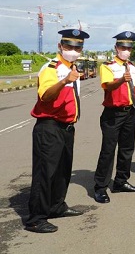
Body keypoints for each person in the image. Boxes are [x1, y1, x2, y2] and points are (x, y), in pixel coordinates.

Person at [24, 29, 89, 233]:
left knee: (62, 171)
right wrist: (64, 81)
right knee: (45, 173)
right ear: (60, 46)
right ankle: (36, 218)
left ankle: (56, 206)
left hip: (66, 128)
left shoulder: (72, 67)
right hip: (49, 127)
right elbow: (45, 96)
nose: (73, 50)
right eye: (69, 46)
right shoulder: (51, 68)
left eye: (77, 47)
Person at [93, 31, 135, 204]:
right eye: (123, 47)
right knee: (108, 150)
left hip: (130, 112)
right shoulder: (108, 66)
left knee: (127, 149)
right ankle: (100, 187)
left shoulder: (133, 68)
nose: (126, 50)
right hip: (113, 113)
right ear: (116, 48)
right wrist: (121, 80)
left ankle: (121, 181)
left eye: (129, 47)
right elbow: (108, 86)